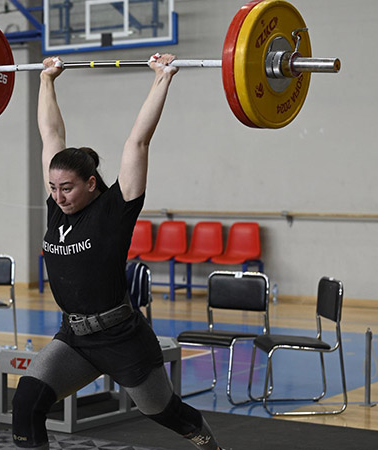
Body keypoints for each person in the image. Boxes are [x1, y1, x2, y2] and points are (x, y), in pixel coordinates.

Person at [12, 53, 224, 450]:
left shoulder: (115, 208)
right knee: (27, 403)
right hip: (74, 336)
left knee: (162, 411)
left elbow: (138, 140)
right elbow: (51, 136)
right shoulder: (57, 206)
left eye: (67, 188)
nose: (58, 196)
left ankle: (206, 440)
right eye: (53, 188)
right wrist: (46, 80)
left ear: (92, 183)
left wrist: (162, 78)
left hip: (122, 338)